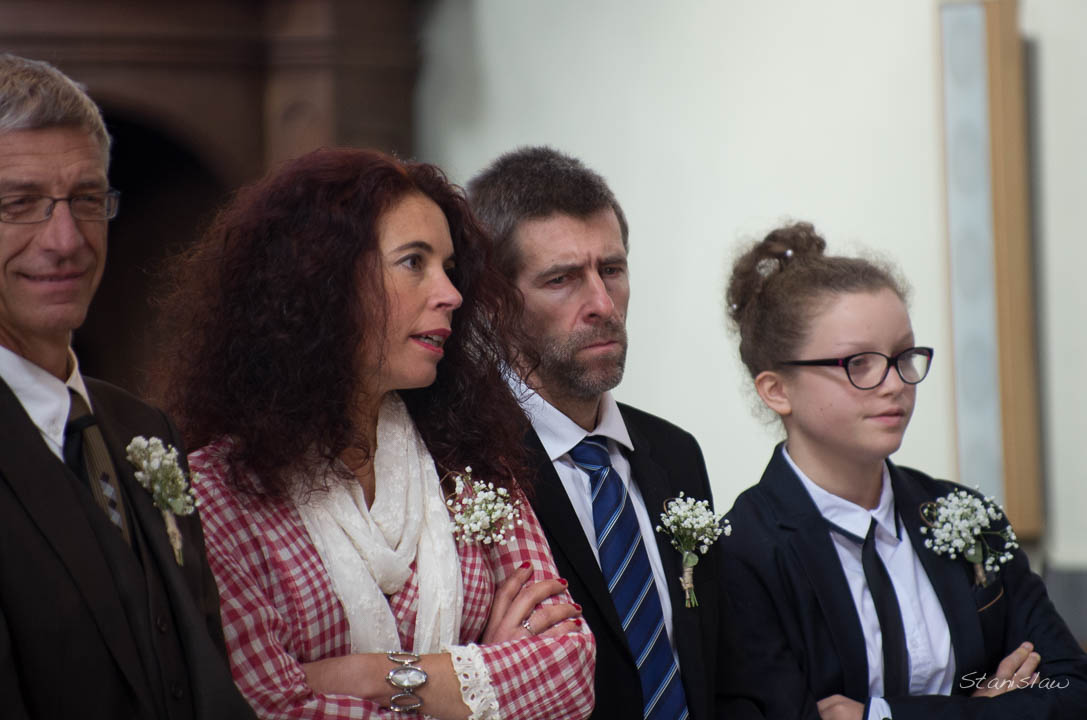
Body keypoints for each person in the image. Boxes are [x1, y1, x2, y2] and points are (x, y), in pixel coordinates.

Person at [157, 147, 595, 719]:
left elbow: (569, 672)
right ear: (323, 280)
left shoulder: (467, 456)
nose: (451, 293)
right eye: (414, 262)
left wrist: (368, 677)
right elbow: (270, 709)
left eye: (449, 267)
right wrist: (480, 675)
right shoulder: (218, 494)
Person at [721, 221, 1087, 720]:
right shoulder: (743, 551)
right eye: (859, 363)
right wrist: (983, 708)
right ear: (776, 390)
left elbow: (1072, 688)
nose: (895, 384)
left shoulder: (966, 515)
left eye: (903, 356)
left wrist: (883, 717)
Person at [467, 146, 762, 720]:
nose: (602, 304)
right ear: (495, 302)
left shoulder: (675, 453)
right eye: (561, 279)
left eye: (612, 270)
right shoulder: (470, 466)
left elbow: (720, 667)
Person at [0, 54, 255, 719]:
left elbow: (202, 667)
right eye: (19, 205)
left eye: (87, 200)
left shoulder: (142, 427)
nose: (66, 241)